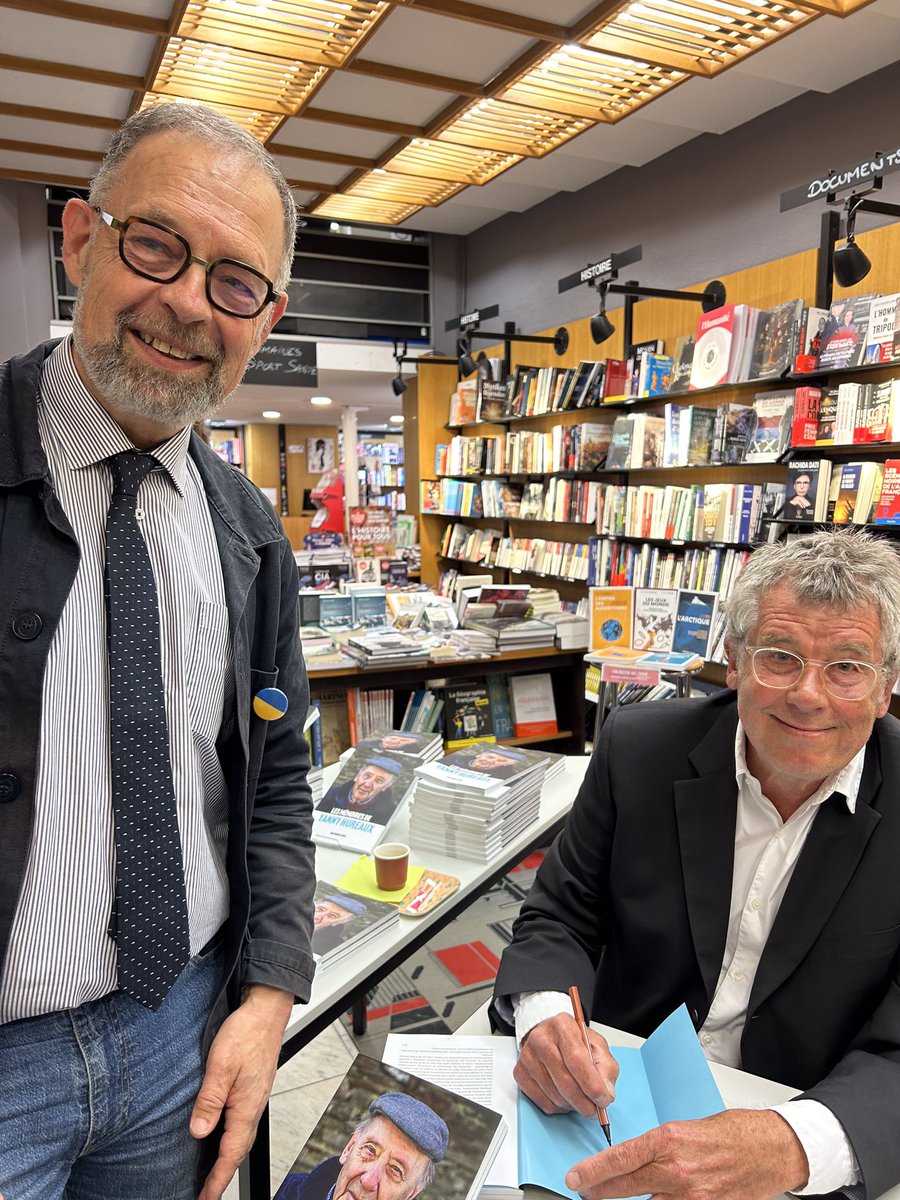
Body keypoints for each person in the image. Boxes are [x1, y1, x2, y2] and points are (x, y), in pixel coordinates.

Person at [0, 102, 317, 1200]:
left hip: (179, 1034)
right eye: (158, 246)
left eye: (235, 282)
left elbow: (277, 783)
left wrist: (269, 994)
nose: (187, 303)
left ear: (263, 320)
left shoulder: (248, 530)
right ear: (82, 241)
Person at [492, 530, 900, 1200]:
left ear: (886, 689)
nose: (808, 695)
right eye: (779, 657)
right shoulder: (639, 750)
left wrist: (793, 1145)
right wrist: (545, 1019)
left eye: (848, 667)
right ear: (734, 661)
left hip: (802, 1124)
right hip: (608, 1105)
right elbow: (560, 914)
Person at [275, 1092, 449, 1200]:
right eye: (370, 1150)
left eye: (396, 1170)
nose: (367, 1181)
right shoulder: (282, 1190)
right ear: (349, 1148)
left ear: (411, 1194)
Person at [323, 754, 404, 825]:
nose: (367, 784)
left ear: (385, 787)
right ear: (357, 776)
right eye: (367, 776)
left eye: (379, 781)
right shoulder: (331, 794)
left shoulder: (389, 811)